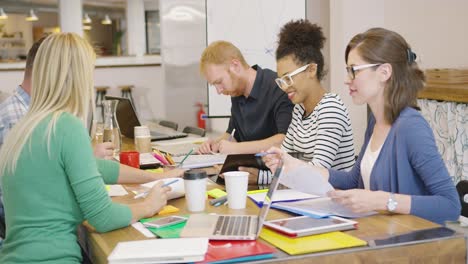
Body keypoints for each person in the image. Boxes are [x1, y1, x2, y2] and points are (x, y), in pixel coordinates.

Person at [0, 33, 175, 263]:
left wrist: (153, 176)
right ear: (76, 78)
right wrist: (148, 205)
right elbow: (102, 217)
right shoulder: (64, 125)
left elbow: (93, 166)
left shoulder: (22, 128)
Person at [264, 28, 460, 225]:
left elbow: (450, 206)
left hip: (410, 246)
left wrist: (382, 200)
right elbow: (352, 180)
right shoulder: (376, 122)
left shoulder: (411, 127)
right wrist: (296, 166)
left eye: (354, 70)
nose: (347, 80)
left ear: (384, 72)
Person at [197, 40, 294, 155]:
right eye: (215, 85)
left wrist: (236, 148)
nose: (219, 91)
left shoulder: (278, 87)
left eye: (219, 82)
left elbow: (286, 140)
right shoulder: (237, 93)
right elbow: (232, 134)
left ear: (235, 66)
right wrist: (214, 144)